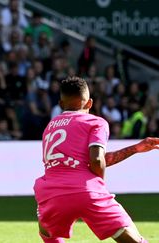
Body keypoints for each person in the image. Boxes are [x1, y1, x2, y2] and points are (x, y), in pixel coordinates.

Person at [34, 76, 158, 242]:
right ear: (90, 103)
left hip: (51, 193)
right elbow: (97, 161)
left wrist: (134, 148)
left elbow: (82, 162)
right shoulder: (95, 122)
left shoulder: (50, 127)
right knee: (132, 238)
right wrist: (96, 189)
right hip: (87, 191)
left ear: (61, 104)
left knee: (47, 233)